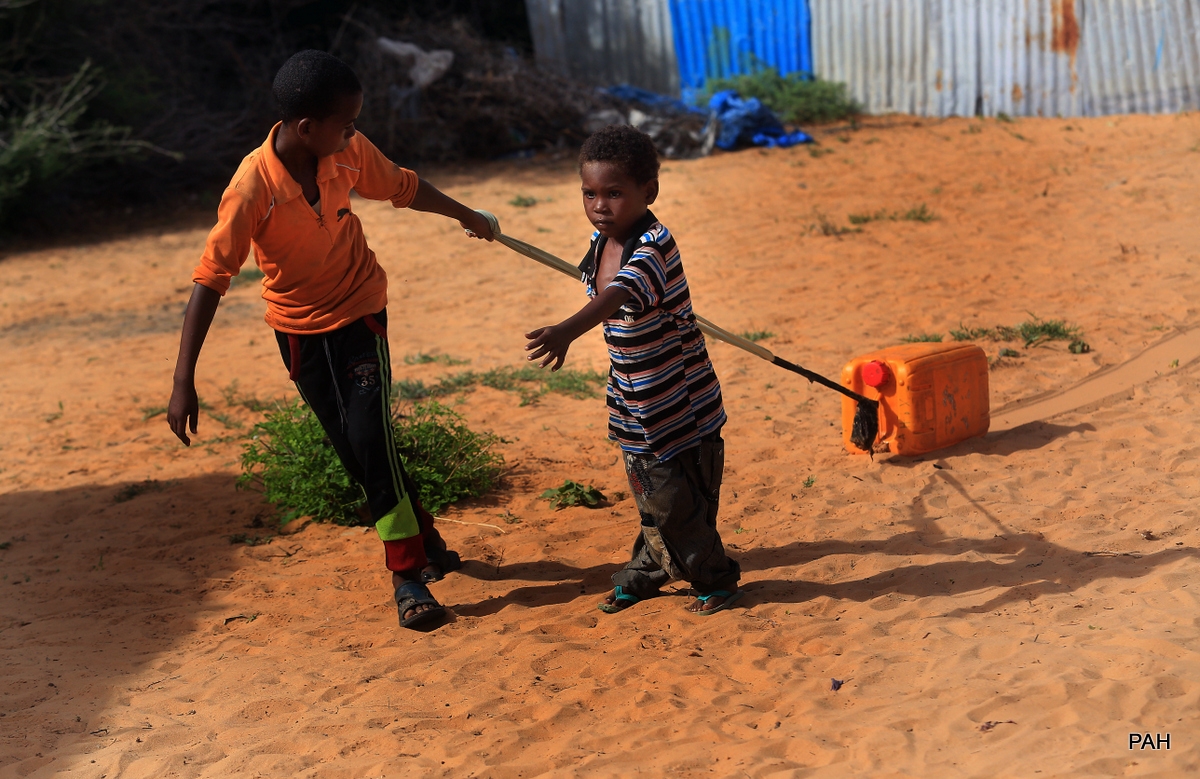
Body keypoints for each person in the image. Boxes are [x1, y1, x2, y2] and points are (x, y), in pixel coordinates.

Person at [167, 50, 494, 629]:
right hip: (297, 331)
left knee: (370, 438)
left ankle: (408, 576)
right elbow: (210, 278)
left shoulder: (345, 153)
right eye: (344, 125)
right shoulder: (251, 189)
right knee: (356, 453)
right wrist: (182, 381)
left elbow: (402, 187)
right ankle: (429, 542)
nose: (352, 136)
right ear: (305, 128)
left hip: (361, 308)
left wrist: (465, 214)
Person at [524, 125, 743, 615]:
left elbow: (618, 294)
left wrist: (565, 331)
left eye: (614, 193)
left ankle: (717, 578)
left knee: (678, 499)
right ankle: (647, 571)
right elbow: (599, 281)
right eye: (590, 193)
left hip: (678, 402)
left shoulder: (653, 248)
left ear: (649, 192)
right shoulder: (600, 241)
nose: (600, 205)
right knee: (651, 494)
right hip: (634, 395)